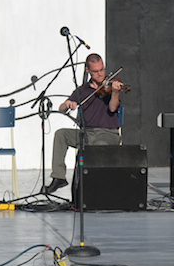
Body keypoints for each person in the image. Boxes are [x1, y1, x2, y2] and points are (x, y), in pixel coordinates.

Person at [42, 53, 123, 195]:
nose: (100, 74)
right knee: (61, 134)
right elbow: (61, 108)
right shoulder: (82, 90)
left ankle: (98, 188)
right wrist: (67, 104)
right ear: (88, 71)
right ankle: (59, 177)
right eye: (96, 71)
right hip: (87, 133)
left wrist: (115, 93)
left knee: (98, 147)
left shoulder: (111, 86)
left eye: (102, 70)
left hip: (108, 133)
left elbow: (112, 108)